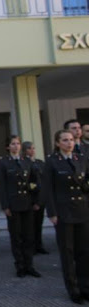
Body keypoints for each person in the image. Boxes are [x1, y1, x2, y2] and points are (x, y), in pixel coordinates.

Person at [43, 129, 89, 304]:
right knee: (68, 253)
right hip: (64, 213)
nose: (69, 143)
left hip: (82, 211)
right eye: (64, 140)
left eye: (70, 140)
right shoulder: (52, 162)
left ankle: (86, 287)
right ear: (57, 143)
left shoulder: (81, 159)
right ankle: (73, 290)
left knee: (84, 252)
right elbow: (49, 190)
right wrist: (52, 213)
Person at [0, 135, 41, 278]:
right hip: (13, 204)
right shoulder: (4, 163)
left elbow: (35, 182)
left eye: (18, 143)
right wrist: (5, 205)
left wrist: (36, 201)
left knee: (29, 236)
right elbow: (2, 186)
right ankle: (20, 266)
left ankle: (30, 265)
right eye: (13, 144)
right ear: (7, 147)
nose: (16, 146)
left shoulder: (26, 161)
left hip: (27, 202)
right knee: (16, 236)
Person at [22, 141, 48, 255]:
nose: (32, 150)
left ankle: (39, 245)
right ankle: (31, 247)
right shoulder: (24, 163)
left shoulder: (40, 163)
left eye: (33, 148)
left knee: (39, 223)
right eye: (29, 148)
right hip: (31, 198)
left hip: (41, 197)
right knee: (30, 226)